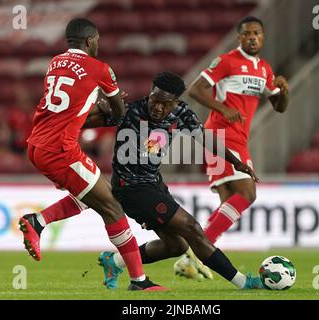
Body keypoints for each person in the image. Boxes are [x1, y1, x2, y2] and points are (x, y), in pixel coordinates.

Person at [19, 18, 164, 291]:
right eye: (96, 40)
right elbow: (119, 113)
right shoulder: (100, 69)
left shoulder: (55, 63)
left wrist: (100, 108)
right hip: (60, 150)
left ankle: (38, 221)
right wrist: (111, 105)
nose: (98, 44)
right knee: (112, 206)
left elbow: (74, 110)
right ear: (89, 40)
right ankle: (139, 281)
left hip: (36, 145)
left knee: (91, 196)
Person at [92, 71, 263, 290]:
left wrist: (235, 162)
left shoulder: (181, 113)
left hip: (154, 183)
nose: (158, 108)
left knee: (176, 246)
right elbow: (84, 121)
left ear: (175, 103)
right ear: (150, 93)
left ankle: (114, 261)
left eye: (165, 104)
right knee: (192, 228)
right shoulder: (129, 110)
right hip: (131, 188)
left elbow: (205, 137)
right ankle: (243, 282)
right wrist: (98, 109)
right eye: (155, 100)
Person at [175, 16, 289, 277]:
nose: (252, 37)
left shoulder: (264, 69)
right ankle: (193, 255)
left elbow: (279, 106)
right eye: (247, 33)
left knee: (229, 202)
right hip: (221, 137)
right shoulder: (227, 61)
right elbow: (195, 89)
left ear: (263, 37)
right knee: (248, 193)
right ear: (239, 37)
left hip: (237, 139)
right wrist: (224, 108)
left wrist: (285, 91)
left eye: (257, 33)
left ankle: (192, 258)